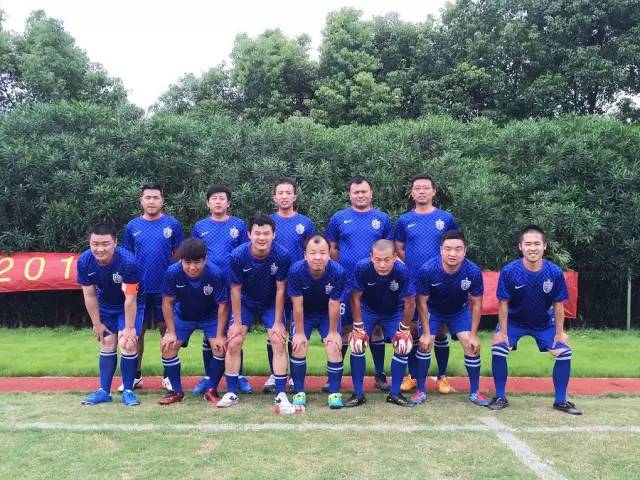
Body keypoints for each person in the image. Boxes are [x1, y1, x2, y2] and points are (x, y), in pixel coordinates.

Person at [488, 225, 581, 415]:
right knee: (498, 348)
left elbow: (558, 305)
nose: (532, 248)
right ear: (520, 246)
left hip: (543, 323)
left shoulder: (554, 272)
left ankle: (560, 401)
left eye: (537, 244)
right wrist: (502, 332)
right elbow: (503, 304)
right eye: (528, 244)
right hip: (514, 322)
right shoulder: (509, 271)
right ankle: (500, 397)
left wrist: (560, 333)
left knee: (564, 352)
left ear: (544, 246)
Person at [217, 214, 291, 409]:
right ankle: (231, 392)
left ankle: (281, 393)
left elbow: (281, 290)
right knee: (234, 341)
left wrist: (278, 322)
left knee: (278, 340)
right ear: (249, 234)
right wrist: (236, 323)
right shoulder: (238, 255)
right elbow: (235, 289)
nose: (262, 237)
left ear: (274, 235)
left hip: (270, 302)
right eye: (257, 233)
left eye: (266, 233)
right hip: (245, 302)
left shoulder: (282, 255)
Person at [326, 176, 393, 391]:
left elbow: (388, 249)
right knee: (345, 328)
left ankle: (380, 374)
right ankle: (335, 374)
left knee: (376, 329)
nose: (360, 195)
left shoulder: (382, 219)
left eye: (364, 191)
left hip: (376, 284)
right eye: (356, 192)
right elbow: (332, 248)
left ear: (371, 193)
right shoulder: (339, 218)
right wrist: (338, 273)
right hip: (346, 283)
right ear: (350, 195)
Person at [395, 173, 458, 395]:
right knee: (412, 330)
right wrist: (414, 267)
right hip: (413, 282)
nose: (421, 191)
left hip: (440, 282)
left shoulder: (446, 218)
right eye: (417, 188)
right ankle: (412, 376)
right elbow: (399, 248)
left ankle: (442, 377)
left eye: (425, 188)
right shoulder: (404, 220)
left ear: (434, 191)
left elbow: (454, 245)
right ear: (412, 193)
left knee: (438, 331)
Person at [414, 230, 489, 406]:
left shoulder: (472, 271)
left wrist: (474, 334)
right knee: (425, 344)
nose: (452, 253)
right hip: (433, 310)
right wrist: (426, 333)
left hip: (458, 311)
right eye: (448, 249)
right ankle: (420, 391)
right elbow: (421, 302)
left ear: (465, 250)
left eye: (458, 249)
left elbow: (476, 304)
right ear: (441, 250)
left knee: (471, 345)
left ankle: (474, 392)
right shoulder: (428, 269)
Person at [121, 183, 183, 392]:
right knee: (137, 332)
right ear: (141, 200)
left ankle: (168, 376)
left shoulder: (173, 224)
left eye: (156, 197)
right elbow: (127, 256)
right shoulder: (132, 226)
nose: (151, 201)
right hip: (138, 289)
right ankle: (135, 376)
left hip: (165, 289)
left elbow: (179, 254)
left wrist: (170, 277)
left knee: (168, 330)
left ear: (162, 201)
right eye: (148, 197)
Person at [191, 184, 252, 394]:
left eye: (222, 198)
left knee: (234, 331)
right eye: (214, 198)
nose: (218, 202)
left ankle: (238, 375)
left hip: (234, 286)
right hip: (208, 286)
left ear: (228, 203)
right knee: (210, 331)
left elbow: (246, 252)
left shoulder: (239, 225)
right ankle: (209, 377)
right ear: (207, 203)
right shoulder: (200, 226)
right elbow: (194, 254)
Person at [77, 223, 144, 406]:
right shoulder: (84, 261)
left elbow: (130, 299)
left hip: (130, 303)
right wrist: (97, 323)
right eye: (95, 244)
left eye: (105, 244)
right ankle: (103, 392)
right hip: (105, 304)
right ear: (89, 243)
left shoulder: (128, 262)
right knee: (106, 342)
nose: (100, 249)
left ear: (115, 242)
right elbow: (90, 295)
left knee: (128, 343)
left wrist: (129, 328)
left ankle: (128, 391)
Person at [158, 238, 229, 405]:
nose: (192, 267)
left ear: (205, 259)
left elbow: (223, 306)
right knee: (168, 347)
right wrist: (171, 332)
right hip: (183, 316)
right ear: (181, 260)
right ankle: (177, 392)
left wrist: (220, 335)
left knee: (220, 348)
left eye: (197, 262)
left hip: (210, 316)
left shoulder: (215, 273)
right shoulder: (172, 272)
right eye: (187, 262)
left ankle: (211, 390)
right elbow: (167, 302)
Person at [347, 240, 416, 407]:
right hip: (368, 310)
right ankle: (358, 394)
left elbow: (410, 302)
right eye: (378, 260)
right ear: (371, 257)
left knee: (403, 344)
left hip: (393, 312)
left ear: (395, 257)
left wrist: (404, 328)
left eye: (387, 260)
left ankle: (395, 394)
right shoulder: (362, 268)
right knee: (357, 343)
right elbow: (355, 297)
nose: (382, 264)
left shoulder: (402, 271)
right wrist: (358, 326)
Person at [262, 177, 316, 393]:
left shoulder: (306, 223)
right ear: (274, 197)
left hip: (298, 285)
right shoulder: (268, 222)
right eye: (280, 193)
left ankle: (295, 375)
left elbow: (312, 252)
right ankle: (275, 374)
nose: (284, 196)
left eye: (288, 193)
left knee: (296, 329)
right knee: (274, 330)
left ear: (294, 196)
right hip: (272, 283)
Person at [288, 234, 347, 409]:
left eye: (322, 252)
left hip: (326, 314)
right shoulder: (296, 271)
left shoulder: (338, 272)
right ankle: (299, 392)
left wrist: (333, 332)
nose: (317, 257)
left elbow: (334, 303)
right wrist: (299, 333)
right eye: (312, 253)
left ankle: (334, 393)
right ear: (305, 255)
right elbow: (297, 305)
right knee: (298, 346)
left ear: (329, 254)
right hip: (304, 313)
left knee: (334, 346)